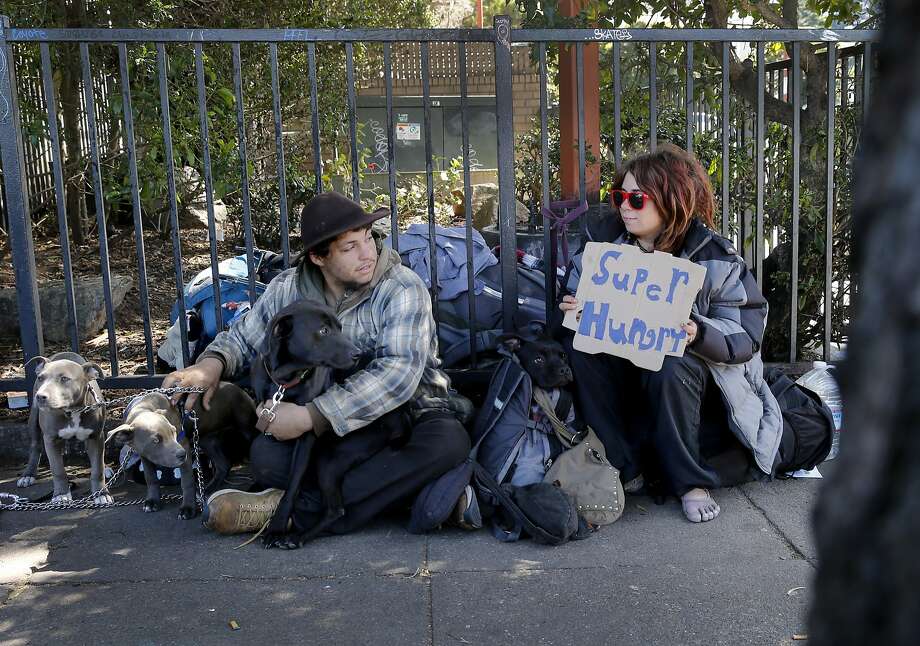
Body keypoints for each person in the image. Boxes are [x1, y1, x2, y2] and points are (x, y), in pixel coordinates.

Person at [163, 191, 470, 536]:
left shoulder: (401, 288)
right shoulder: (288, 289)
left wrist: (312, 415)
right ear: (318, 257)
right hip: (325, 436)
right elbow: (246, 339)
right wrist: (211, 365)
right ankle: (413, 493)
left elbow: (397, 374)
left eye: (368, 238)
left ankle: (291, 511)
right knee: (266, 460)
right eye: (349, 247)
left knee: (448, 443)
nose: (368, 253)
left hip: (407, 416)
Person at [557, 143, 783, 523]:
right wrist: (572, 308)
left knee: (672, 358)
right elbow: (577, 299)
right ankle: (622, 465)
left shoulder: (715, 256)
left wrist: (699, 332)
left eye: (636, 198)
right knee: (580, 347)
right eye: (619, 196)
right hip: (626, 374)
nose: (624, 206)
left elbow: (746, 331)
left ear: (671, 201)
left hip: (698, 383)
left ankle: (689, 481)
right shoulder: (603, 247)